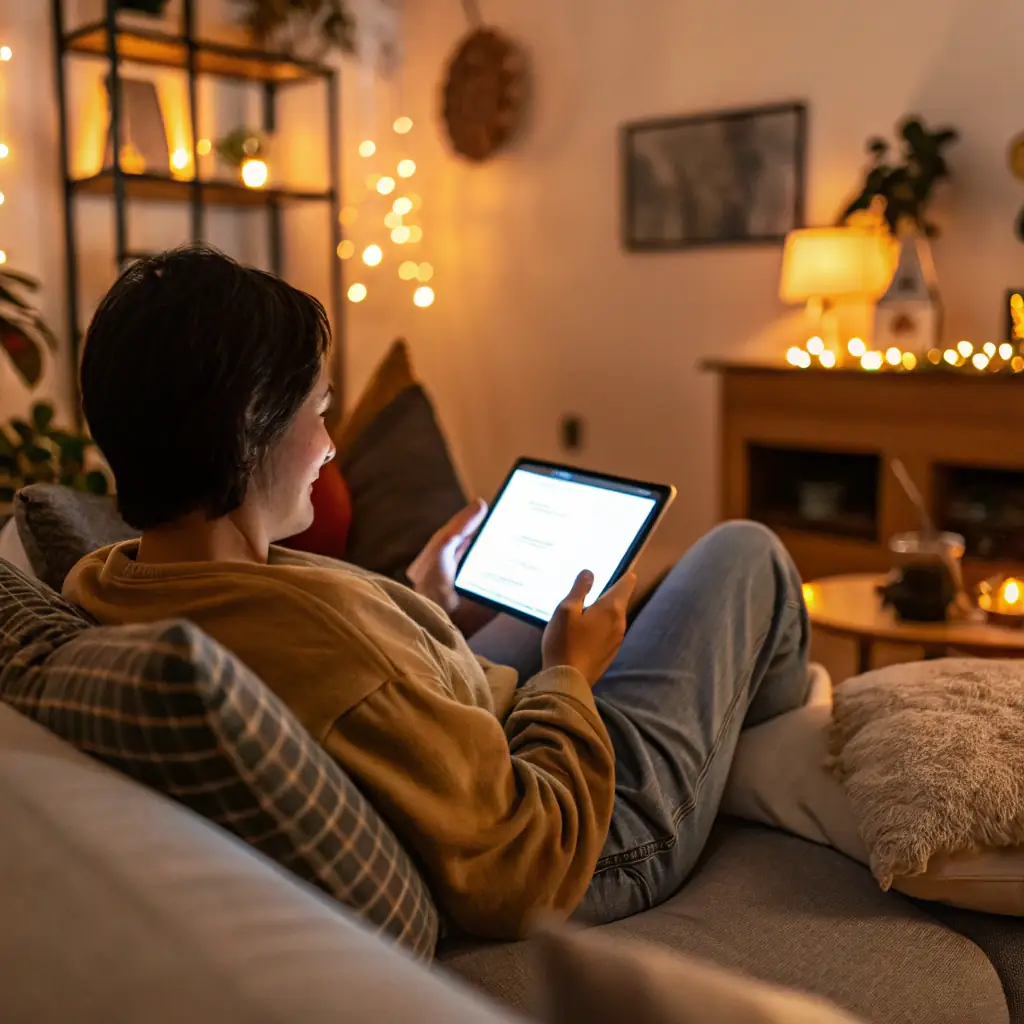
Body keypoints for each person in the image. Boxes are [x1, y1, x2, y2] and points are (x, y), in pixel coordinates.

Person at [64, 245, 811, 939]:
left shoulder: (112, 577)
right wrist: (569, 676)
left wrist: (418, 603)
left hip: (472, 721)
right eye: (320, 412)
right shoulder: (341, 665)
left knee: (566, 601)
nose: (330, 446)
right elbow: (527, 865)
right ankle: (786, 768)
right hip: (586, 835)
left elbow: (363, 677)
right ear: (249, 427)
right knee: (744, 553)